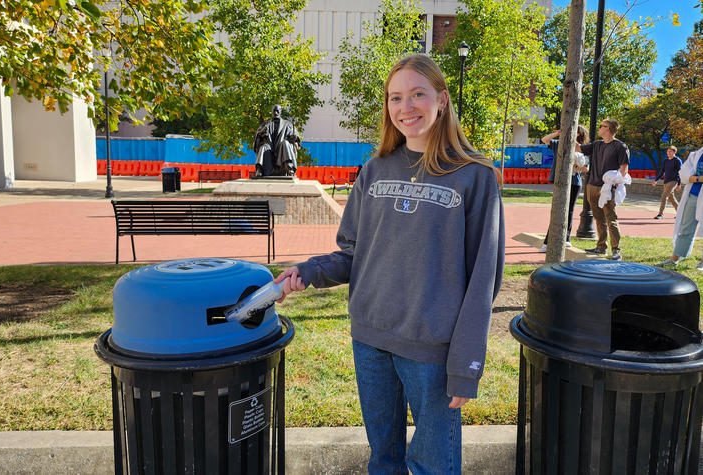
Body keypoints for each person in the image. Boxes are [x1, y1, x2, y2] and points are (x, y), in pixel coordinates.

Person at [274, 54, 505, 474]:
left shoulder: (475, 176)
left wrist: (467, 365)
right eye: (395, 98)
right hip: (371, 340)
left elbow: (483, 278)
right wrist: (307, 272)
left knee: (431, 465)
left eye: (418, 94)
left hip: (431, 351)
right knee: (383, 461)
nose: (406, 107)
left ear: (442, 99)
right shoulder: (375, 170)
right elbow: (353, 253)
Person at [576, 118, 630, 260]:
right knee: (599, 219)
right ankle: (601, 247)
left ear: (608, 129)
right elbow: (578, 148)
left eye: (602, 126)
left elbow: (624, 169)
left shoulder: (620, 146)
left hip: (607, 189)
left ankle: (616, 250)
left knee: (611, 219)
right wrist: (568, 134)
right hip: (592, 186)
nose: (599, 128)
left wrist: (617, 182)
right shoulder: (597, 144)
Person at [538, 126, 590, 253]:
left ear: (577, 134)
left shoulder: (582, 148)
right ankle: (548, 242)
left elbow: (586, 169)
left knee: (569, 211)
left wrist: (577, 165)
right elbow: (544, 139)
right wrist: (557, 133)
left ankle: (564, 238)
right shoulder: (559, 144)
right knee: (558, 210)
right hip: (560, 182)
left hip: (574, 183)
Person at [657, 147, 703, 269]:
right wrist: (698, 178)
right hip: (694, 194)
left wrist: (692, 177)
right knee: (686, 227)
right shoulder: (696, 155)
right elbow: (683, 174)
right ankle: (675, 258)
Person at [253, 104, 301, 176]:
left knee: (285, 143)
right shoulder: (265, 124)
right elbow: (257, 138)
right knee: (264, 147)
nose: (276, 113)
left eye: (277, 111)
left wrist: (295, 138)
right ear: (271, 112)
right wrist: (260, 134)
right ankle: (260, 169)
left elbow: (296, 138)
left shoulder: (288, 124)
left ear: (280, 112)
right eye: (274, 111)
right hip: (269, 152)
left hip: (282, 152)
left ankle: (289, 167)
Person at [651, 145, 682, 219]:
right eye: (668, 151)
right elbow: (662, 171)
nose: (668, 153)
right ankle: (680, 213)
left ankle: (660, 214)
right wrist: (656, 180)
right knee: (671, 198)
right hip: (666, 181)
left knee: (664, 196)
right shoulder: (666, 161)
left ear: (674, 152)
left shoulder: (677, 160)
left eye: (670, 151)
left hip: (674, 181)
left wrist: (679, 184)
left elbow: (680, 173)